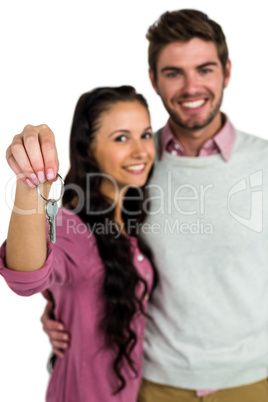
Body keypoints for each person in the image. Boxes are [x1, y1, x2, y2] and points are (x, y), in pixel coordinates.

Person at [42, 9, 268, 402]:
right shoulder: (134, 166)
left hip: (250, 381)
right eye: (173, 73)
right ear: (154, 80)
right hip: (152, 383)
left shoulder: (263, 162)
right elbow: (92, 250)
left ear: (227, 72)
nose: (191, 86)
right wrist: (59, 311)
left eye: (205, 69)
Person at [0, 85, 158, 402]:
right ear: (88, 149)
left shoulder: (128, 223)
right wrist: (31, 184)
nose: (141, 150)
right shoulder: (72, 227)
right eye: (121, 138)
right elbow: (26, 277)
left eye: (146, 134)